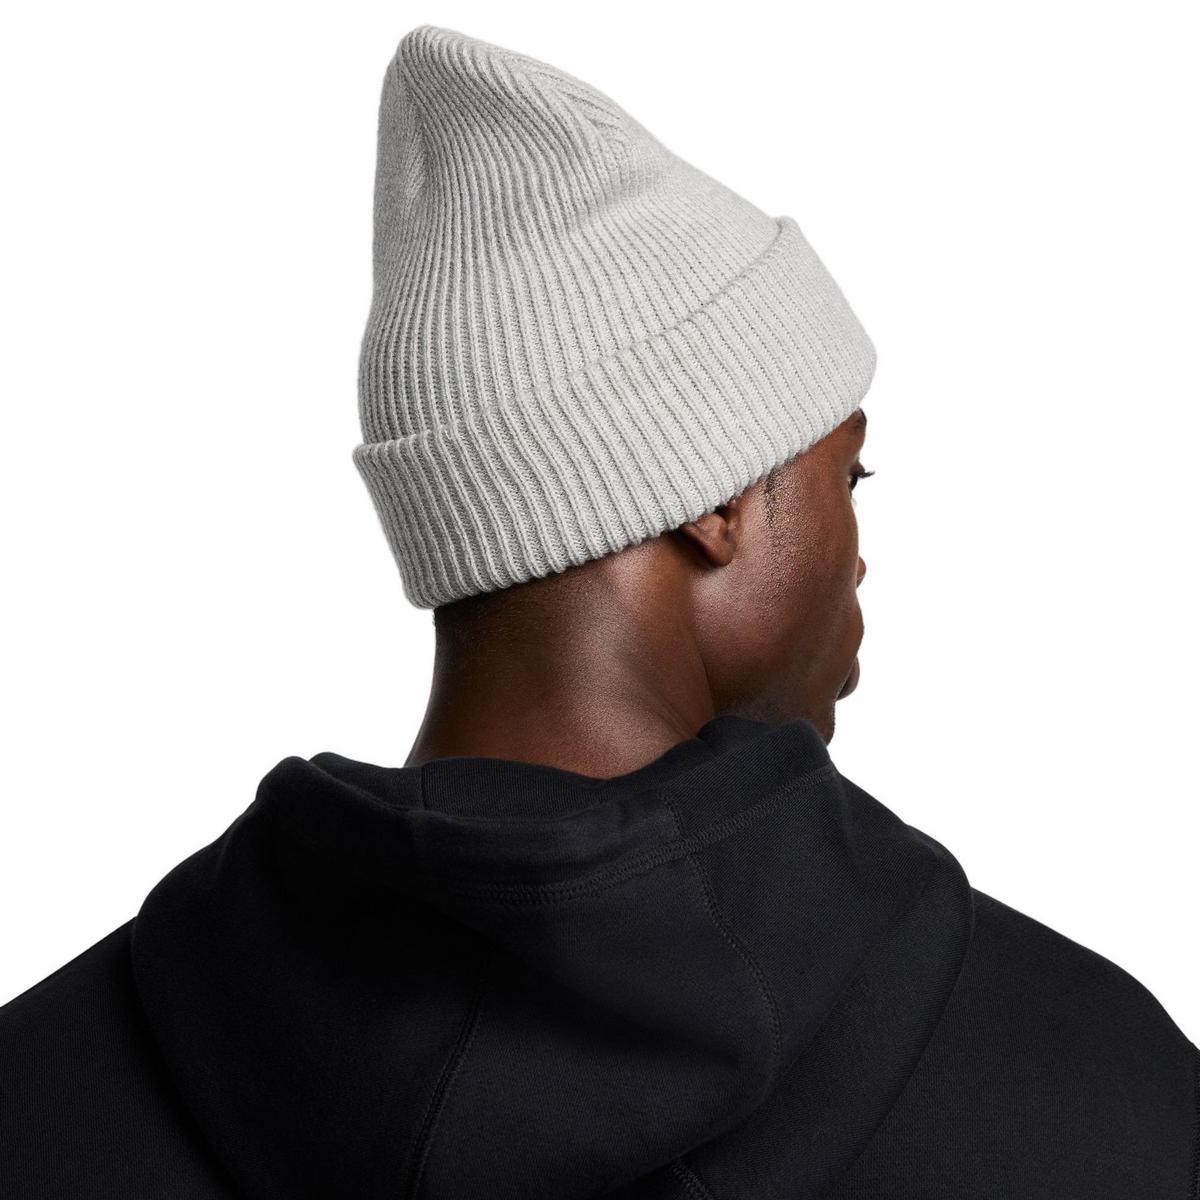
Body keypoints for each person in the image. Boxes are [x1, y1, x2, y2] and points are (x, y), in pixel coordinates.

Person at [1, 24, 1195, 1200]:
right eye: (851, 475)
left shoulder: (42, 1089)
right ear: (715, 499)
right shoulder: (1101, 1092)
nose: (861, 557)